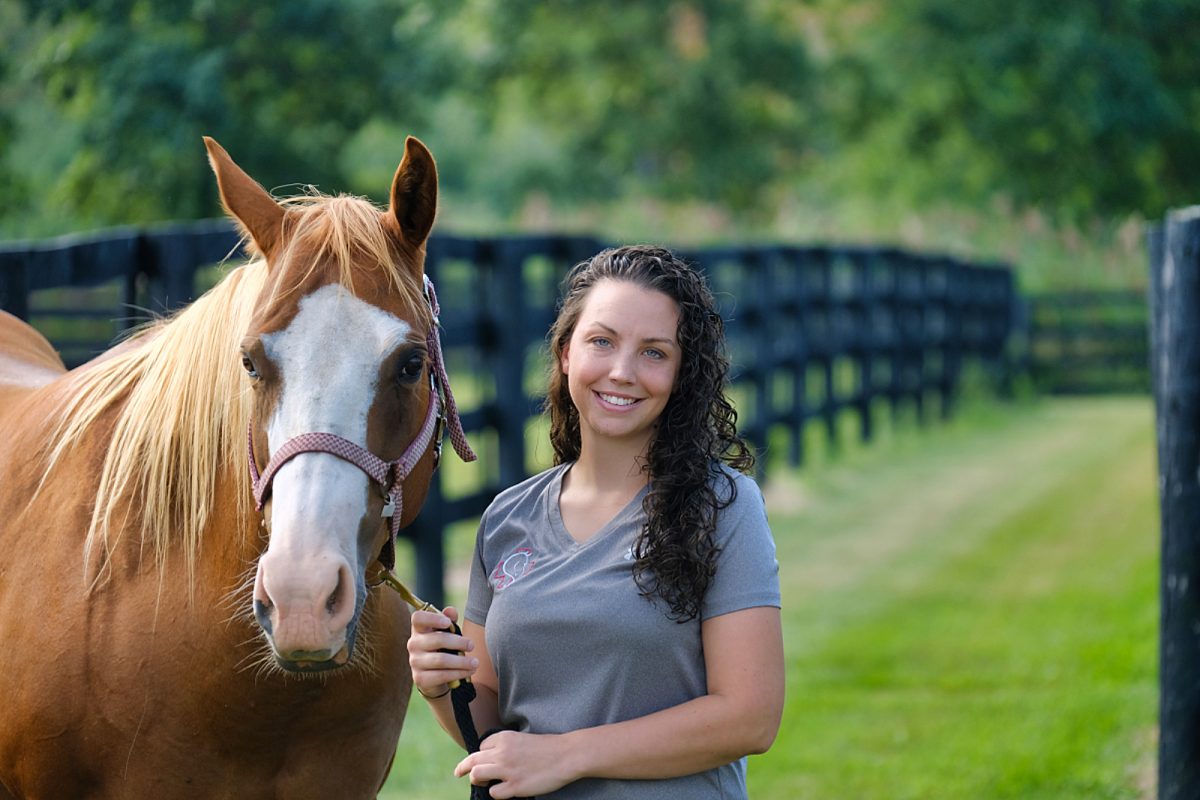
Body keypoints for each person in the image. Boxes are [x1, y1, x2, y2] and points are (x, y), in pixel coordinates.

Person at [408, 245, 784, 799]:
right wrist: (442, 686)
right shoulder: (506, 519)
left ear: (681, 374)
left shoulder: (723, 507)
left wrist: (567, 755)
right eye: (601, 341)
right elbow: (493, 730)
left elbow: (750, 717)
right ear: (565, 354)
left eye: (654, 352)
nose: (622, 371)